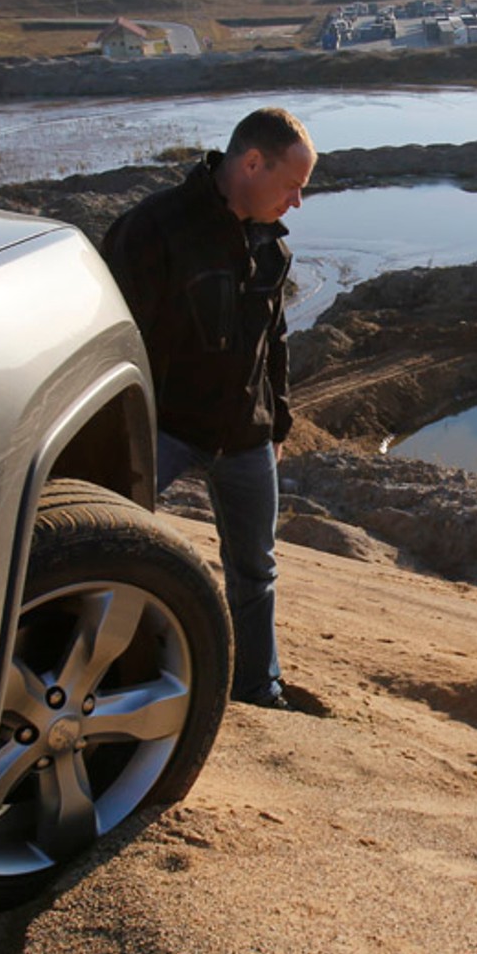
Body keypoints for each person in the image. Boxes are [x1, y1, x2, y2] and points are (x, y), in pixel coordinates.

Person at [99, 107, 316, 711]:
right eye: (292, 185)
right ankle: (105, 671)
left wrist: (280, 421)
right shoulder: (153, 228)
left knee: (255, 570)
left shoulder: (270, 245)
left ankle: (256, 689)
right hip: (163, 429)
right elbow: (113, 335)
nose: (297, 202)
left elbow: (274, 340)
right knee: (113, 548)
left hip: (246, 434)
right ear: (251, 163)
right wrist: (122, 432)